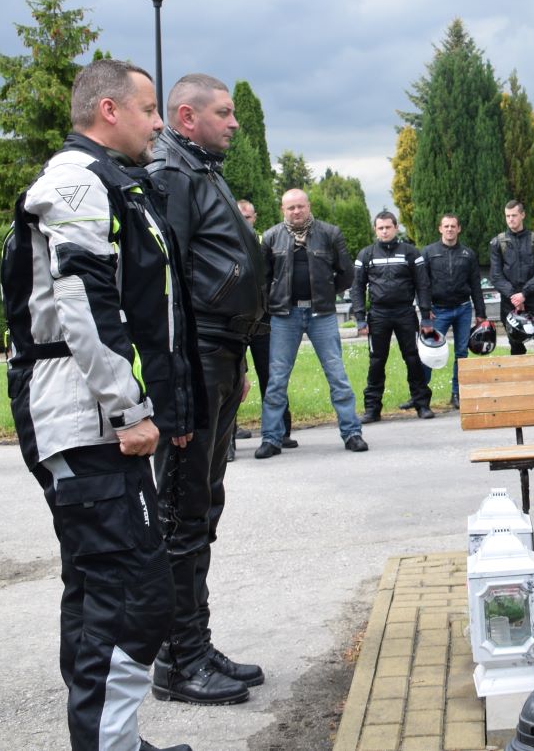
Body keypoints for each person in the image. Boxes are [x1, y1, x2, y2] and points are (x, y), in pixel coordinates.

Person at [0, 57, 195, 751]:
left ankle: (111, 740)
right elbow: (85, 303)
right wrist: (129, 410)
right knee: (129, 594)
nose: (157, 123)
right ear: (109, 111)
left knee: (98, 590)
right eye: (147, 109)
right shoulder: (78, 182)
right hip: (83, 415)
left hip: (88, 413)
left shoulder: (111, 182)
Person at [147, 73, 268, 705]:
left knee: (203, 507)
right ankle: (178, 657)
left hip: (219, 354)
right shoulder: (174, 172)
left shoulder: (201, 167)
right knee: (183, 513)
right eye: (225, 112)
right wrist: (184, 381)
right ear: (186, 117)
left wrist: (237, 360)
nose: (236, 122)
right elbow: (169, 284)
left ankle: (195, 640)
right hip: (196, 359)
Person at [260, 188, 365, 453]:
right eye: (290, 207)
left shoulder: (330, 233)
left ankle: (352, 433)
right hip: (284, 315)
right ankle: (271, 438)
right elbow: (262, 279)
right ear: (282, 210)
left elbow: (346, 274)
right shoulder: (271, 237)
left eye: (300, 206)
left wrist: (326, 295)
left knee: (337, 375)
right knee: (277, 380)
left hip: (322, 314)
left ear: (309, 206)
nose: (296, 211)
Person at [350, 211, 435, 421]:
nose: (385, 231)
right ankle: (372, 409)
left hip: (405, 313)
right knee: (377, 361)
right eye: (380, 228)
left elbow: (423, 285)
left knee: (413, 359)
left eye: (388, 227)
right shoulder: (366, 254)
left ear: (396, 228)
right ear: (375, 230)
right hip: (378, 315)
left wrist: (425, 317)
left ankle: (422, 404)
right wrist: (360, 318)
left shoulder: (411, 253)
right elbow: (356, 287)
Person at [421, 213, 489, 408]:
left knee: (462, 353)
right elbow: (422, 284)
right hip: (437, 311)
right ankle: (422, 396)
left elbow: (476, 285)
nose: (449, 229)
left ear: (459, 229)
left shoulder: (468, 254)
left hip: (462, 310)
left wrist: (481, 313)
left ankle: (457, 394)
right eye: (446, 226)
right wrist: (425, 312)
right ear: (440, 229)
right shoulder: (428, 252)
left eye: (453, 226)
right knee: (429, 353)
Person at [232, 199, 281, 450]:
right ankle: (228, 437)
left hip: (263, 317)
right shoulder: (223, 241)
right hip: (233, 319)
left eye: (248, 217)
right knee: (231, 378)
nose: (244, 221)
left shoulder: (265, 243)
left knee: (270, 375)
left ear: (255, 218)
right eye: (239, 216)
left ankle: (280, 431)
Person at [490, 200, 534, 354]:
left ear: (522, 215)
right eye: (507, 216)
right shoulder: (497, 242)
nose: (511, 219)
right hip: (509, 302)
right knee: (516, 346)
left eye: (514, 215)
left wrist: (524, 294)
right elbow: (496, 275)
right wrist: (513, 296)